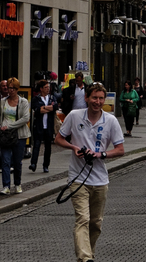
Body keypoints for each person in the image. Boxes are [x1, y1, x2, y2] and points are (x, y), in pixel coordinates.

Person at [55, 83, 125, 262]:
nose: (98, 101)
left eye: (101, 98)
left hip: (100, 179)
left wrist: (101, 154)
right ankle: (86, 258)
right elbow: (59, 138)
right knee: (83, 219)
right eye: (94, 98)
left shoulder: (111, 121)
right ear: (86, 98)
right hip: (78, 178)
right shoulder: (74, 116)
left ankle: (88, 254)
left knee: (96, 223)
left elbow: (120, 149)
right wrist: (73, 147)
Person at [0, 77, 31, 195]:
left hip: (19, 135)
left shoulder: (23, 102)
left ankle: (17, 184)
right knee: (5, 160)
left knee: (17, 161)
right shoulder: (3, 101)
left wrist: (10, 126)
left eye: (13, 88)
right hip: (5, 135)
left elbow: (25, 118)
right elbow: (0, 116)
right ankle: (6, 186)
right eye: (9, 88)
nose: (10, 90)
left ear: (17, 89)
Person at [30, 80, 57, 173]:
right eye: (46, 87)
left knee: (48, 147)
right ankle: (33, 163)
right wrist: (48, 108)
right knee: (36, 144)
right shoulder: (36, 99)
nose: (48, 89)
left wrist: (44, 108)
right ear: (41, 89)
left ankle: (46, 165)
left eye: (48, 87)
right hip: (39, 125)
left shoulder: (52, 98)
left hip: (49, 126)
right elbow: (38, 110)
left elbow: (55, 107)